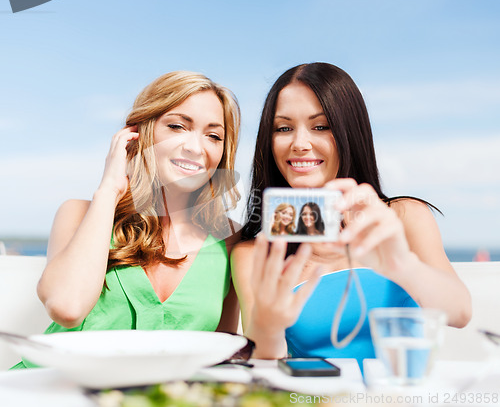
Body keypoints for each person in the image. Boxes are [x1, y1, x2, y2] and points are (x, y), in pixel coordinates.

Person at [231, 62, 472, 363]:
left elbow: (460, 312)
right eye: (283, 128)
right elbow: (266, 365)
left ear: (350, 132)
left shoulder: (404, 216)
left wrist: (401, 265)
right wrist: (268, 328)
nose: (299, 144)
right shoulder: (254, 252)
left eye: (321, 126)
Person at [13, 71, 241, 368]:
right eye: (176, 126)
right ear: (139, 133)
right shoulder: (80, 213)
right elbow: (67, 308)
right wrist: (109, 190)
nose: (196, 148)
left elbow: (220, 354)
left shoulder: (231, 238)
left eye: (213, 136)